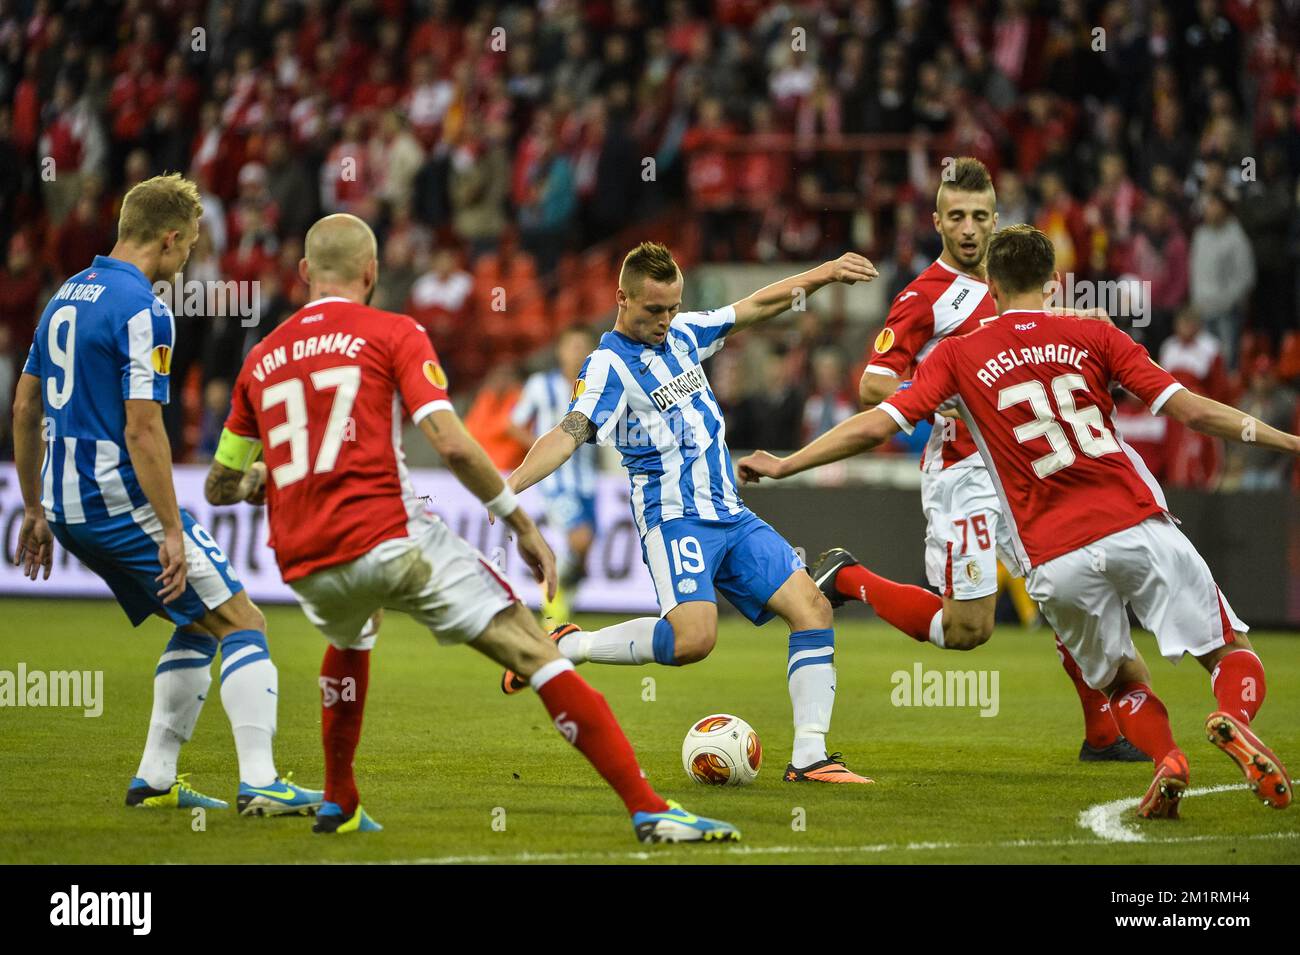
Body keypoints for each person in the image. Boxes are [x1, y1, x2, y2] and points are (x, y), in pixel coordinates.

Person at [205, 214, 737, 842]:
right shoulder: (393, 331)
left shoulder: (262, 358)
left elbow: (220, 486)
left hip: (305, 558)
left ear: (302, 275)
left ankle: (340, 799)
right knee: (535, 649)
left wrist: (268, 479)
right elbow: (451, 443)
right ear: (372, 274)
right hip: (390, 534)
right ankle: (650, 810)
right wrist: (520, 521)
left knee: (352, 635)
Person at [738, 224, 1293, 818]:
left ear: (992, 286)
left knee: (1122, 681)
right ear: (1054, 283)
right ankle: (1233, 719)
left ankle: (1167, 760)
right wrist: (1287, 441)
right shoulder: (1094, 333)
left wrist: (789, 462)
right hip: (1136, 523)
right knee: (1228, 649)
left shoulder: (958, 352)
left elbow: (876, 424)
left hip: (1056, 557)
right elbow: (1191, 409)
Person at [503, 240, 880, 784]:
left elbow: (754, 307)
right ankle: (573, 645)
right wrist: (511, 485)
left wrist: (823, 273)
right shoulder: (607, 364)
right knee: (694, 640)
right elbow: (568, 433)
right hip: (674, 519)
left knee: (813, 610)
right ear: (622, 299)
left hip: (731, 512)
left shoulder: (683, 334)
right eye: (654, 309)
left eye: (672, 307)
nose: (665, 320)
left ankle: (810, 759)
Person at [12, 173, 321, 816]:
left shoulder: (63, 296)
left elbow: (23, 405)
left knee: (198, 620)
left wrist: (36, 509)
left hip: (67, 504)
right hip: (116, 496)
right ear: (171, 239)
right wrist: (172, 530)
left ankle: (154, 780)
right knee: (245, 622)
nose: (189, 262)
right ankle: (260, 780)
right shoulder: (144, 309)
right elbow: (143, 428)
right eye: (191, 248)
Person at [815, 157, 1143, 762]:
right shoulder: (923, 297)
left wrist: (1078, 321)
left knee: (1070, 588)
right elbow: (872, 385)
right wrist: (943, 402)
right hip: (963, 472)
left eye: (981, 217)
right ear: (937, 221)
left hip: (1024, 467)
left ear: (997, 221)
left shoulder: (1010, 284)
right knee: (968, 631)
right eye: (958, 216)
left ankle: (1103, 735)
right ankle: (848, 578)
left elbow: (1024, 333)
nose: (970, 228)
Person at [508, 325, 601, 623]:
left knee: (585, 552)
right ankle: (554, 598)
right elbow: (513, 424)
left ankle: (561, 601)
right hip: (555, 481)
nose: (577, 353)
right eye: (572, 347)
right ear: (560, 351)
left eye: (582, 348)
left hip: (587, 479)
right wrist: (541, 449)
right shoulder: (540, 385)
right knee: (581, 539)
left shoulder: (596, 387)